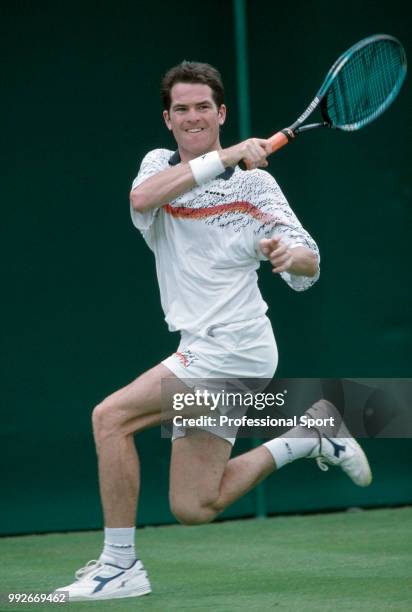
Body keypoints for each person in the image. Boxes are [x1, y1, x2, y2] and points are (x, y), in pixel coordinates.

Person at [56, 61, 371, 602]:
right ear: (168, 119)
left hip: (235, 348)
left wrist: (286, 256)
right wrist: (222, 157)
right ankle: (307, 437)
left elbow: (309, 260)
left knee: (110, 419)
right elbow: (141, 200)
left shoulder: (257, 185)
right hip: (203, 347)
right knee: (194, 505)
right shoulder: (158, 168)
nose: (193, 116)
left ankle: (119, 566)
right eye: (182, 108)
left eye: (204, 106)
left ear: (220, 112)